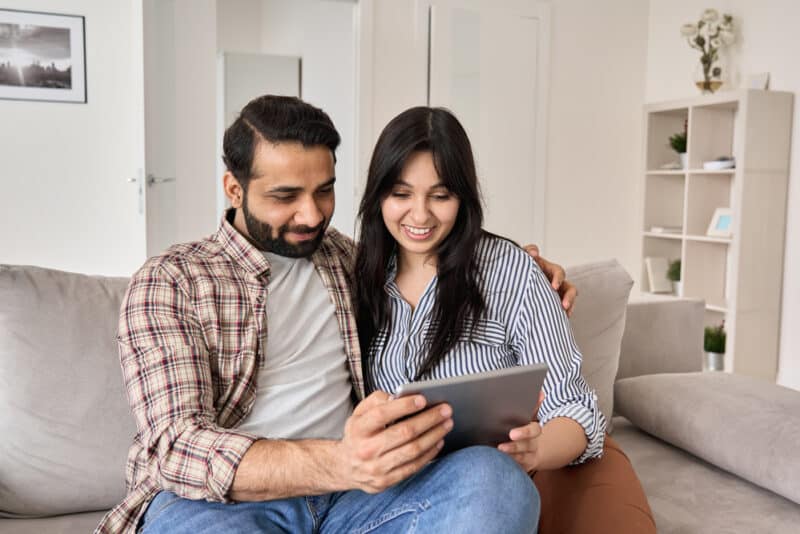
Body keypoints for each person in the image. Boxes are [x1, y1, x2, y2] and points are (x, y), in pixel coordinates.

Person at [95, 95, 576, 534]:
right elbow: (176, 446)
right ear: (234, 189)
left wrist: (527, 266)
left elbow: (432, 254)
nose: (310, 216)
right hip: (225, 508)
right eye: (285, 196)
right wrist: (342, 462)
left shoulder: (348, 261)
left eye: (323, 191)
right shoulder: (171, 280)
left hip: (359, 501)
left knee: (495, 481)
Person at [353, 106, 656, 533]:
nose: (419, 216)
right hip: (393, 496)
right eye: (401, 194)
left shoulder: (509, 272)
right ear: (378, 194)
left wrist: (536, 450)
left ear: (463, 196)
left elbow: (573, 405)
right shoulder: (353, 274)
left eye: (440, 196)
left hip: (496, 484)